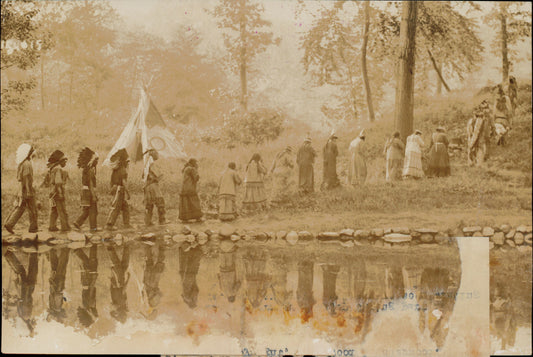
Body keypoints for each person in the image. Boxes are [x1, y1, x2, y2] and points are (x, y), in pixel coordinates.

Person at [4, 143, 38, 234]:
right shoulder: (27, 164)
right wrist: (29, 190)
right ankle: (33, 228)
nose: (33, 154)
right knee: (32, 208)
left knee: (21, 207)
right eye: (32, 152)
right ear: (29, 154)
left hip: (22, 189)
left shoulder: (23, 163)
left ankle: (9, 224)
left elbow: (20, 178)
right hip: (26, 189)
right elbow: (27, 178)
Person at [73, 147, 99, 231]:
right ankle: (93, 227)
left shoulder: (86, 169)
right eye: (96, 160)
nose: (97, 162)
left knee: (87, 210)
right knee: (93, 210)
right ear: (92, 160)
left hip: (85, 191)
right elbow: (90, 184)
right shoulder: (90, 170)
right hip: (89, 192)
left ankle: (78, 222)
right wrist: (94, 195)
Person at [106, 148, 131, 230]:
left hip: (115, 188)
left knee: (125, 207)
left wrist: (111, 189)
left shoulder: (115, 170)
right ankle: (109, 225)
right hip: (120, 190)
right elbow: (124, 182)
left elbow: (111, 180)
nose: (128, 164)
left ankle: (126, 224)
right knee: (116, 208)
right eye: (127, 162)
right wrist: (128, 193)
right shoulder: (123, 170)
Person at [46, 150, 71, 232]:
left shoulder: (53, 168)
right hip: (57, 193)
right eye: (65, 161)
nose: (65, 163)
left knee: (54, 210)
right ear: (60, 161)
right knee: (62, 211)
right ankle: (65, 227)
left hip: (52, 192)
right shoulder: (58, 169)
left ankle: (52, 226)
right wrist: (60, 193)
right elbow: (58, 182)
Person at [143, 149, 166, 226]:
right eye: (156, 153)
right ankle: (162, 220)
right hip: (153, 186)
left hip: (147, 186)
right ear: (153, 155)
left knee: (149, 204)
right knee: (160, 203)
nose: (158, 155)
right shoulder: (153, 164)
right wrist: (161, 176)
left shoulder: (146, 164)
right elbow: (159, 175)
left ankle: (148, 221)